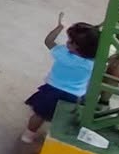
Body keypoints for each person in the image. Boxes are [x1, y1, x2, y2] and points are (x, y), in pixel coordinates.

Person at [23, 14, 99, 144]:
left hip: (51, 90)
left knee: (39, 115)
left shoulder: (63, 53)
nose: (67, 43)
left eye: (70, 42)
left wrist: (59, 27)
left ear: (77, 47)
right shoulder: (93, 63)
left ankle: (28, 135)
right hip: (75, 95)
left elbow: (48, 41)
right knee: (66, 118)